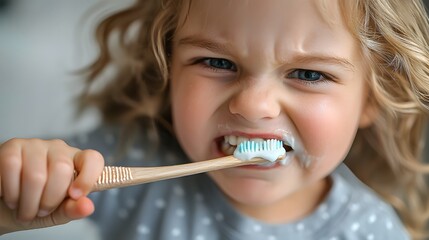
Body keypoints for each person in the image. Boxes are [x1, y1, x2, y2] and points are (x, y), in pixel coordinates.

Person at [1, 0, 429, 239]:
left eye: (309, 74)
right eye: (217, 62)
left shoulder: (368, 232)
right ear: (169, 66)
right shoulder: (134, 162)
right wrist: (23, 185)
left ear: (373, 96)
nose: (254, 104)